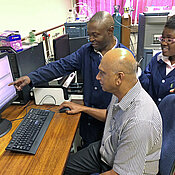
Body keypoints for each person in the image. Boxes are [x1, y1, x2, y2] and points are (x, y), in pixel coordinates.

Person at [9, 11, 133, 147]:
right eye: (89, 34)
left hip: (111, 130)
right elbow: (60, 66)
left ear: (110, 31)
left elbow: (128, 106)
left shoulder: (125, 58)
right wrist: (31, 77)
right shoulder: (86, 51)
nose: (90, 39)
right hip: (89, 128)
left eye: (95, 35)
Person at [63, 48, 162, 175]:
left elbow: (119, 173)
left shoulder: (139, 122)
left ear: (119, 78)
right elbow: (110, 115)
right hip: (107, 150)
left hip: (119, 168)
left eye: (102, 73)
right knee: (58, 167)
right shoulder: (121, 91)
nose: (97, 77)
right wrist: (83, 109)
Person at [139, 14, 175, 105]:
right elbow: (146, 85)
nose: (163, 43)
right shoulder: (157, 59)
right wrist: (137, 72)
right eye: (162, 38)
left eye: (169, 40)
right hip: (153, 115)